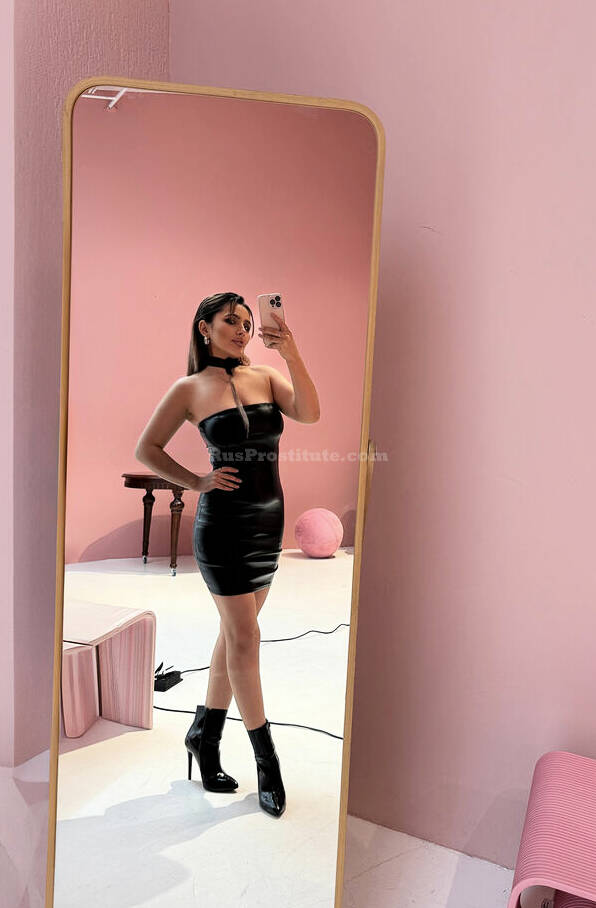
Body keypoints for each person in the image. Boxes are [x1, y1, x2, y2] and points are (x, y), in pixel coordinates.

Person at [135, 291, 320, 817]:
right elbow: (146, 449)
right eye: (231, 321)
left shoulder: (265, 377)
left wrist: (290, 351)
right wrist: (196, 481)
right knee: (245, 637)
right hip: (223, 529)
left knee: (234, 636)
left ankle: (204, 735)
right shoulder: (190, 389)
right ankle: (267, 760)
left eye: (246, 323)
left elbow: (310, 412)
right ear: (205, 327)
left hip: (268, 523)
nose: (241, 330)